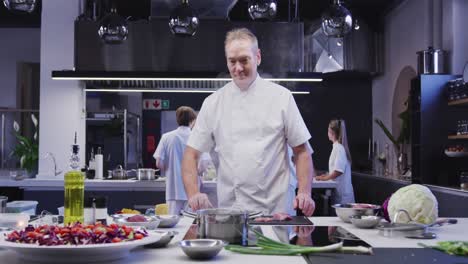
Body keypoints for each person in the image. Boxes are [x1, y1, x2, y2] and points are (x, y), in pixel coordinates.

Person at [181, 27, 316, 216]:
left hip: (275, 212)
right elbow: (190, 155)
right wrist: (194, 193)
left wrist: (304, 192)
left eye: (244, 60)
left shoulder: (281, 98)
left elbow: (302, 152)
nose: (238, 68)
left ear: (258, 57)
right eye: (232, 61)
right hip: (231, 214)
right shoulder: (213, 103)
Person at [153, 106, 197, 215]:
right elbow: (202, 167)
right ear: (192, 120)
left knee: (172, 223)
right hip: (192, 190)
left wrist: (171, 166)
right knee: (190, 224)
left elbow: (159, 164)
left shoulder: (166, 137)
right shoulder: (197, 137)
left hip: (173, 190)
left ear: (177, 120)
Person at [315, 119, 355, 204]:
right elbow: (336, 169)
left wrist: (325, 178)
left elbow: (339, 171)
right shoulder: (337, 147)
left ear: (331, 132)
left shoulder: (339, 148)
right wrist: (327, 175)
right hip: (341, 193)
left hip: (343, 196)